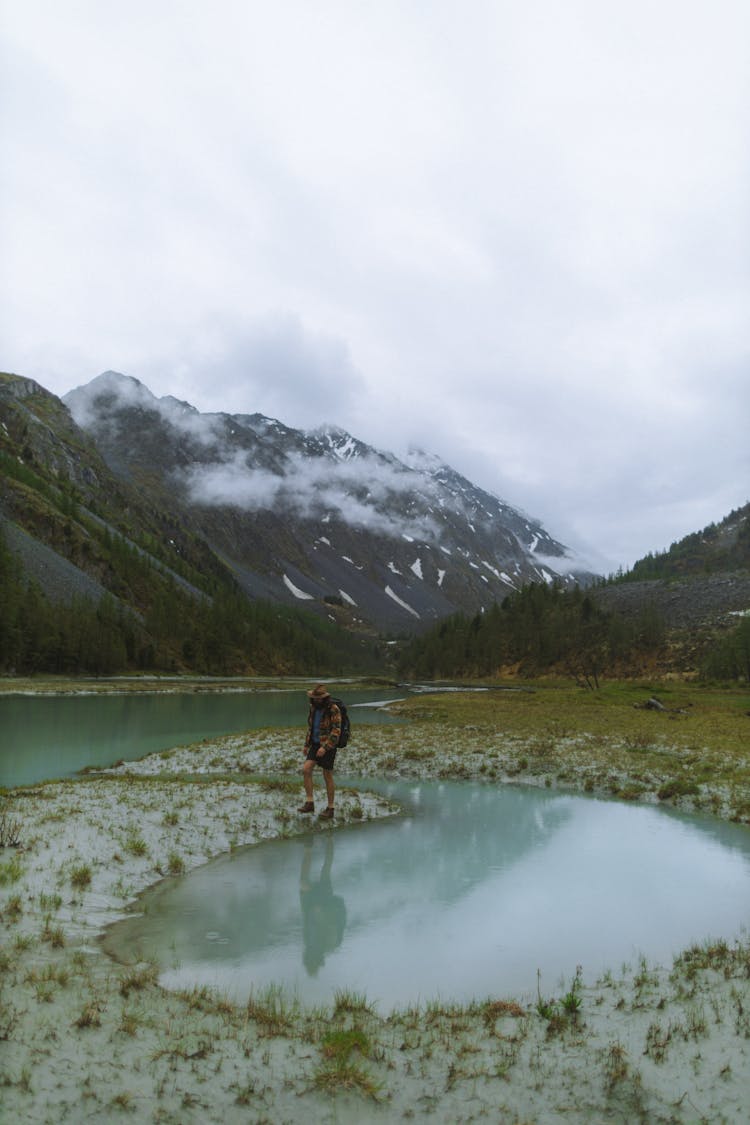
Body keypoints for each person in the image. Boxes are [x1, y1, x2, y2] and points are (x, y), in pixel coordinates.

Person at [298, 684, 342, 820]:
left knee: (327, 775)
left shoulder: (333, 709)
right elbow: (311, 728)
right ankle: (310, 803)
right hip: (315, 744)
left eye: (318, 698)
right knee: (306, 770)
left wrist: (326, 747)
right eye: (314, 698)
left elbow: (336, 730)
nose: (316, 700)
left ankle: (331, 808)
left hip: (328, 745)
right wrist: (306, 745)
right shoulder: (313, 708)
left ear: (324, 698)